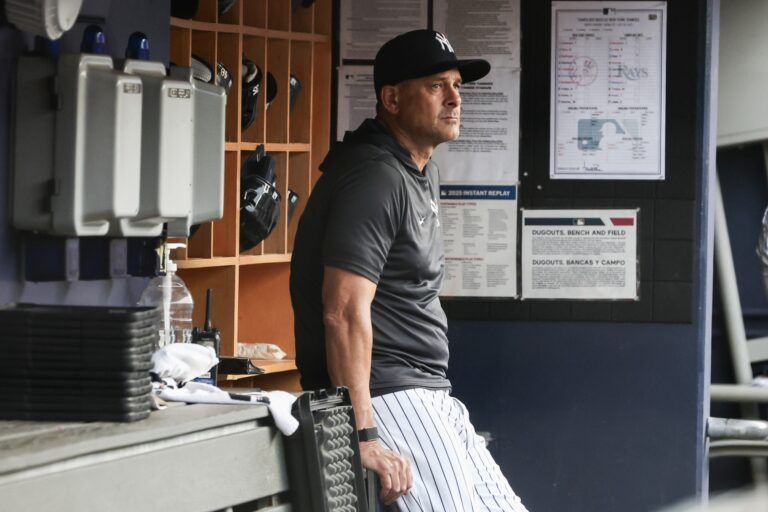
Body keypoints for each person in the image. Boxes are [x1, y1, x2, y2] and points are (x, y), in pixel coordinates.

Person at [290, 29, 528, 511]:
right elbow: (341, 311)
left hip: (431, 392)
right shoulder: (374, 176)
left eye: (458, 85)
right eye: (437, 85)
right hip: (389, 393)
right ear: (392, 98)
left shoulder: (415, 171)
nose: (455, 98)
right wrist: (362, 433)